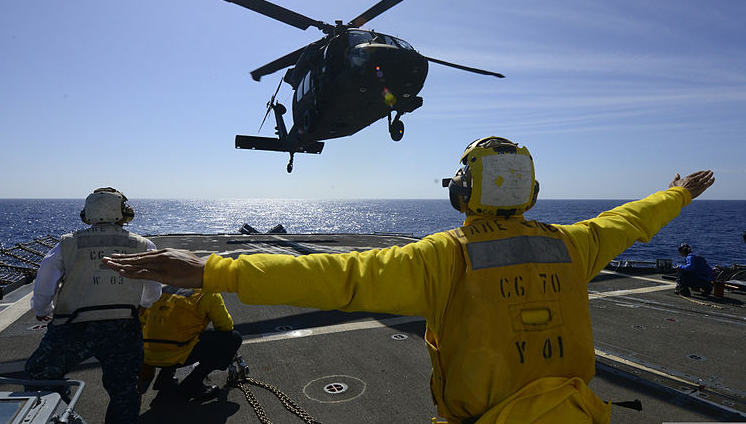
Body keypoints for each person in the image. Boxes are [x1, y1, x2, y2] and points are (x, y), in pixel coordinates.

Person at [103, 138, 715, 423]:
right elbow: (629, 221)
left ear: (462, 191)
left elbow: (337, 277)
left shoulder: (442, 257)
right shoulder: (573, 245)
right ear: (530, 191)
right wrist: (678, 193)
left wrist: (215, 267)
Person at [26, 187, 162, 424]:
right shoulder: (143, 245)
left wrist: (42, 311)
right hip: (122, 328)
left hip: (72, 327)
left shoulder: (67, 244)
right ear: (123, 213)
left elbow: (45, 283)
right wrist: (144, 304)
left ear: (86, 214)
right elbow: (153, 288)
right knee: (124, 388)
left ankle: (63, 417)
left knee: (40, 375)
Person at [138, 285, 242, 400]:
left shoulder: (158, 288)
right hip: (177, 355)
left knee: (170, 325)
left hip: (146, 355)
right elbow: (225, 327)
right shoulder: (207, 293)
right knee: (233, 339)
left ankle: (165, 378)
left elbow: (141, 321)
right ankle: (192, 384)